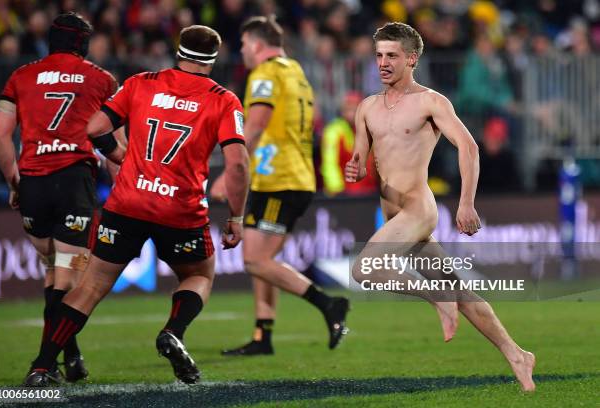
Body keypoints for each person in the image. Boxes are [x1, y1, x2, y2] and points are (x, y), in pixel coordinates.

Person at [23, 24, 250, 386]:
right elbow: (237, 163)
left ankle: (41, 367)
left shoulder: (141, 82)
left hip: (127, 202)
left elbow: (95, 126)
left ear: (179, 51)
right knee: (198, 275)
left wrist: (121, 155)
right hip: (179, 208)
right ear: (213, 58)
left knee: (91, 285)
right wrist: (236, 217)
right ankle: (173, 331)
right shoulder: (223, 99)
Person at [345, 22, 536, 392]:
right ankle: (517, 354)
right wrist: (354, 168)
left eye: (392, 56)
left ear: (412, 59)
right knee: (460, 290)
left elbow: (469, 147)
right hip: (392, 212)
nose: (383, 63)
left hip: (418, 208)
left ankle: (437, 298)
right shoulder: (366, 107)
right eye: (379, 55)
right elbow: (360, 160)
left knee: (365, 269)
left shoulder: (431, 101)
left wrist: (466, 203)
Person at [211, 15, 350, 356]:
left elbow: (255, 125)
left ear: (257, 45)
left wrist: (229, 171)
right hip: (295, 176)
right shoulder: (297, 72)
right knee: (264, 259)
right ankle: (263, 335)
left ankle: (328, 304)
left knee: (255, 260)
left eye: (244, 44)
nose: (242, 50)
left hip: (278, 181)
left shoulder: (265, 73)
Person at [0, 12, 118, 384]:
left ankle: (72, 356)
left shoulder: (21, 76)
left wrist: (15, 182)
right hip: (73, 180)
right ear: (83, 42)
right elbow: (117, 145)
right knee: (68, 281)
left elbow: (0, 136)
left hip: (32, 181)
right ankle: (42, 366)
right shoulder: (101, 79)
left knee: (52, 272)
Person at [321, 91, 377, 196]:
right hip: (345, 195)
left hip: (369, 193)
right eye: (348, 108)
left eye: (355, 108)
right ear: (342, 111)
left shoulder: (370, 130)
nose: (351, 112)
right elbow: (329, 165)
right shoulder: (333, 131)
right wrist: (337, 192)